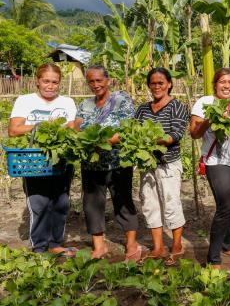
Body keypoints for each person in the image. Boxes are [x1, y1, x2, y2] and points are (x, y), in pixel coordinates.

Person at [8, 63, 78, 256]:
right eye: (46, 81)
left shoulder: (68, 102)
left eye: (55, 82)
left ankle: (55, 244)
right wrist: (42, 126)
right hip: (33, 160)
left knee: (61, 203)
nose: (50, 85)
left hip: (62, 159)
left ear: (59, 83)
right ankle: (39, 247)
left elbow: (73, 128)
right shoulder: (25, 101)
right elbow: (13, 130)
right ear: (37, 81)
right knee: (39, 203)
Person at [73, 65, 141, 261]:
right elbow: (77, 125)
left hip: (119, 162)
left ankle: (131, 245)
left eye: (99, 80)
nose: (95, 85)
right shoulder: (85, 105)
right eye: (91, 81)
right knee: (92, 204)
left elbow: (126, 128)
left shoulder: (122, 100)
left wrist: (100, 142)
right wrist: (83, 138)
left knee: (123, 201)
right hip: (91, 163)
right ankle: (99, 246)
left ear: (108, 80)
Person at [190, 68, 230, 268]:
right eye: (223, 82)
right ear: (215, 84)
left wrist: (228, 121)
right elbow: (194, 133)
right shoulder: (203, 103)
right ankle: (213, 257)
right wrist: (210, 119)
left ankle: (229, 245)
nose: (227, 86)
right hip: (216, 161)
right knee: (224, 206)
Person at [135, 67, 189, 265]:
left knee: (171, 203)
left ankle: (176, 246)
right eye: (153, 83)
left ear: (169, 84)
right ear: (149, 85)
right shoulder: (142, 109)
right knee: (150, 204)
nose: (156, 86)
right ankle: (158, 247)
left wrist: (151, 140)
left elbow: (176, 134)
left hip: (168, 165)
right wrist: (139, 143)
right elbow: (134, 130)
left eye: (161, 83)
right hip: (147, 163)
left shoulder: (177, 106)